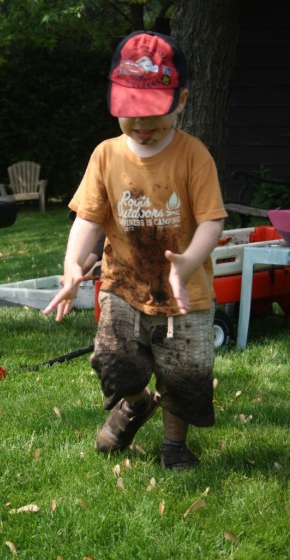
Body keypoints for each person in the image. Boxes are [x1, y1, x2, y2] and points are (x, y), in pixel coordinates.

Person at [43, 30, 227, 470]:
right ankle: (136, 403)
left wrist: (187, 260)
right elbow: (87, 219)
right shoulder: (105, 156)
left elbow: (212, 220)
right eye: (130, 114)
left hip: (184, 293)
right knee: (113, 360)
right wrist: (72, 266)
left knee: (182, 373)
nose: (142, 125)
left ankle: (173, 445)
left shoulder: (194, 156)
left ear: (180, 101)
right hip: (122, 285)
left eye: (153, 115)